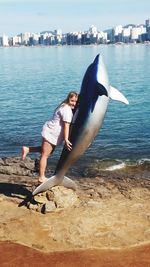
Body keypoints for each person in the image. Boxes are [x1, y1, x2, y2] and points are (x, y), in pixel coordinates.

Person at [22, 91, 78, 184]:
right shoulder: (67, 110)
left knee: (47, 151)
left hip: (51, 132)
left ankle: (28, 149)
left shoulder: (63, 105)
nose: (74, 103)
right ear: (68, 99)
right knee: (45, 155)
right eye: (72, 101)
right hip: (51, 133)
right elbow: (66, 126)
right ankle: (41, 177)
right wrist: (66, 139)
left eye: (76, 101)